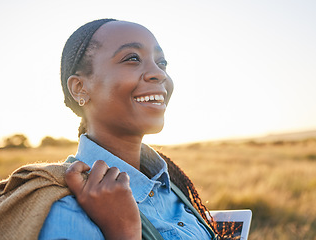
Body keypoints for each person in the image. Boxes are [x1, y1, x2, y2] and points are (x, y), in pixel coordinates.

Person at [38, 19, 220, 240]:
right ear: (80, 88)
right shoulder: (65, 211)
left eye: (162, 63)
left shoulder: (172, 186)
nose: (159, 74)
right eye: (132, 58)